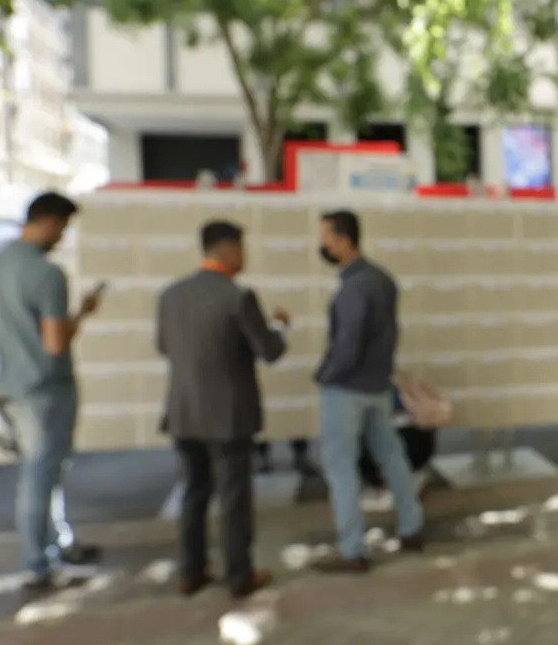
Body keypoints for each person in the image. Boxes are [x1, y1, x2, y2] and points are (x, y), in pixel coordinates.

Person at [156, 220, 287, 599]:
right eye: (242, 249)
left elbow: (164, 346)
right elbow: (269, 350)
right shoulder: (239, 296)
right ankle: (239, 576)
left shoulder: (171, 295)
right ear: (229, 251)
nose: (245, 256)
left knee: (193, 494)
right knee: (233, 499)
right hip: (229, 416)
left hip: (184, 412)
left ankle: (190, 572)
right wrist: (279, 327)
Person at [0, 191, 102, 589]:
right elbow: (55, 342)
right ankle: (37, 562)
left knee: (43, 472)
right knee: (41, 476)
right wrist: (82, 313)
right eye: (63, 229)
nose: (62, 238)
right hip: (46, 388)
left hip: (12, 384)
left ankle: (57, 545)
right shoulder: (47, 274)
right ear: (49, 222)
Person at [311, 209, 424, 573]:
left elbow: (348, 342)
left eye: (326, 238)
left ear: (343, 239)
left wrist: (326, 375)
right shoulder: (382, 279)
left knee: (341, 467)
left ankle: (352, 551)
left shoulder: (353, 286)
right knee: (391, 456)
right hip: (377, 385)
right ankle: (411, 527)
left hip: (346, 390)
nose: (323, 245)